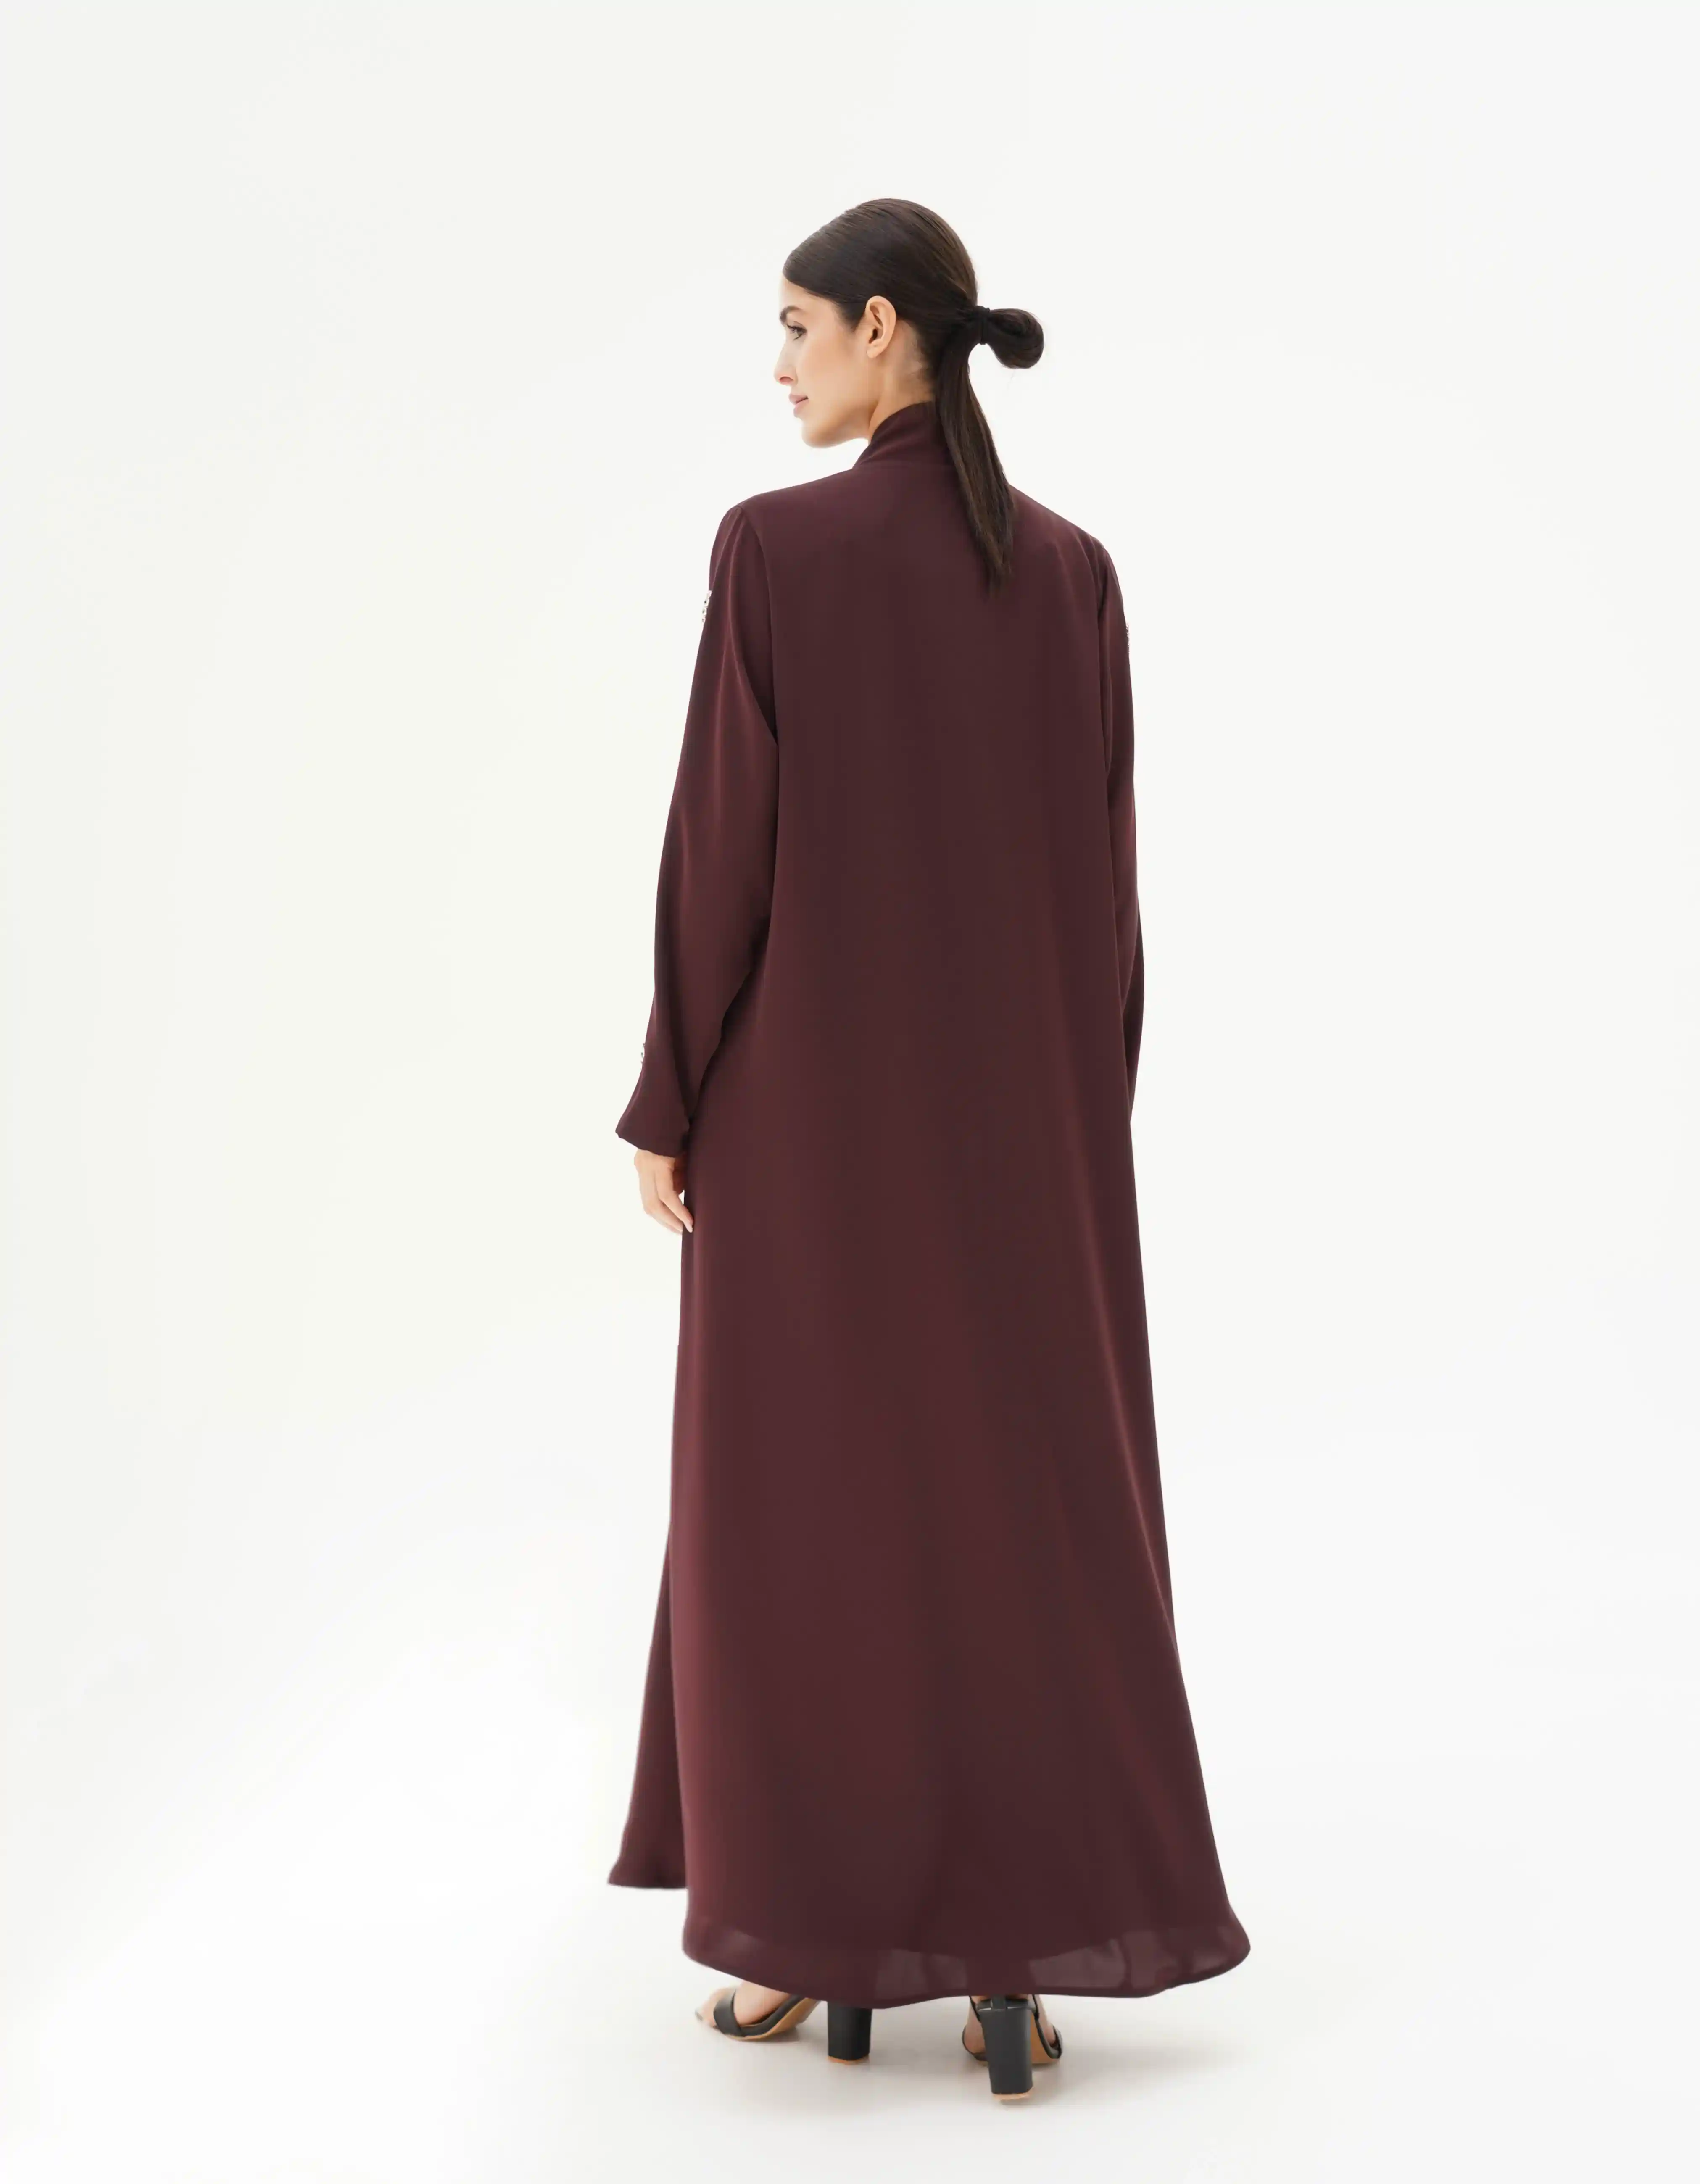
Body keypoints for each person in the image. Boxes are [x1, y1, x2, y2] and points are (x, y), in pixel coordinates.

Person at [608, 197, 1250, 2102]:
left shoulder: (775, 551)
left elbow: (719, 856)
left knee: (803, 1520)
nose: (780, 365)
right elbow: (1105, 889)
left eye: (798, 327)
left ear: (885, 330)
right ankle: (1014, 1962)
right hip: (1027, 1139)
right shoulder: (1075, 576)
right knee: (1015, 1524)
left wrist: (668, 1096)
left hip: (804, 1136)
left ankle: (808, 1937)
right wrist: (1071, 1119)